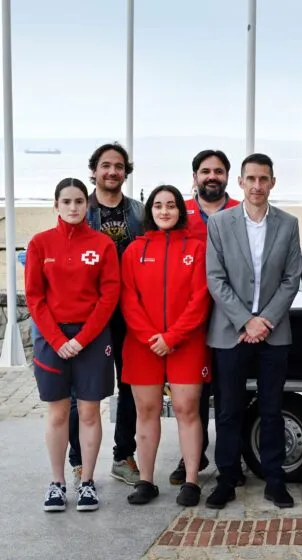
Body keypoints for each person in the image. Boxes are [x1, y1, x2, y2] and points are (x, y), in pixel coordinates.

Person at [205, 153, 302, 509]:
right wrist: (246, 320)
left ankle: (275, 480)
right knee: (229, 409)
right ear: (240, 183)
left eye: (264, 179)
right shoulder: (220, 223)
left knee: (272, 408)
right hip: (230, 332)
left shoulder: (289, 224)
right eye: (251, 179)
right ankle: (227, 478)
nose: (257, 186)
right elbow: (215, 278)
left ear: (272, 182)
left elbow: (292, 279)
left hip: (273, 334)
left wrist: (265, 321)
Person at [26, 178, 120, 512]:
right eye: (66, 201)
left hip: (92, 339)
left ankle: (88, 482)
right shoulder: (40, 244)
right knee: (58, 412)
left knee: (91, 411)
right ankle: (57, 483)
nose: (73, 207)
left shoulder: (103, 245)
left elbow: (109, 296)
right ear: (56, 205)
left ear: (87, 204)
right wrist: (57, 339)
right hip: (53, 340)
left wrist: (82, 338)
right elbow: (35, 297)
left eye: (79, 201)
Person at [120, 185, 212, 507]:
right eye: (158, 205)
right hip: (142, 345)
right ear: (150, 211)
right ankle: (146, 480)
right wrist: (151, 338)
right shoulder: (134, 250)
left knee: (188, 409)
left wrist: (171, 337)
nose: (164, 211)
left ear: (179, 211)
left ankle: (190, 481)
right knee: (146, 411)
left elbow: (200, 298)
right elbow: (128, 299)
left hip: (185, 343)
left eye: (171, 205)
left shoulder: (197, 248)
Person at [69, 142, 145, 488]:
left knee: (128, 383)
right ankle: (77, 460)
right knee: (80, 388)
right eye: (105, 166)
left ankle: (122, 456)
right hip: (89, 311)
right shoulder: (80, 209)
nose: (112, 171)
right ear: (94, 170)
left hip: (129, 311)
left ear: (125, 172)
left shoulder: (140, 213)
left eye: (118, 166)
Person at [169, 149, 241, 487]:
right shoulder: (179, 213)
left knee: (230, 395)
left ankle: (232, 461)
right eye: (205, 171)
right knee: (192, 397)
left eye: (218, 171)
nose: (211, 176)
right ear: (195, 176)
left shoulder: (242, 211)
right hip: (191, 320)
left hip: (231, 319)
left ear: (227, 175)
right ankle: (191, 460)